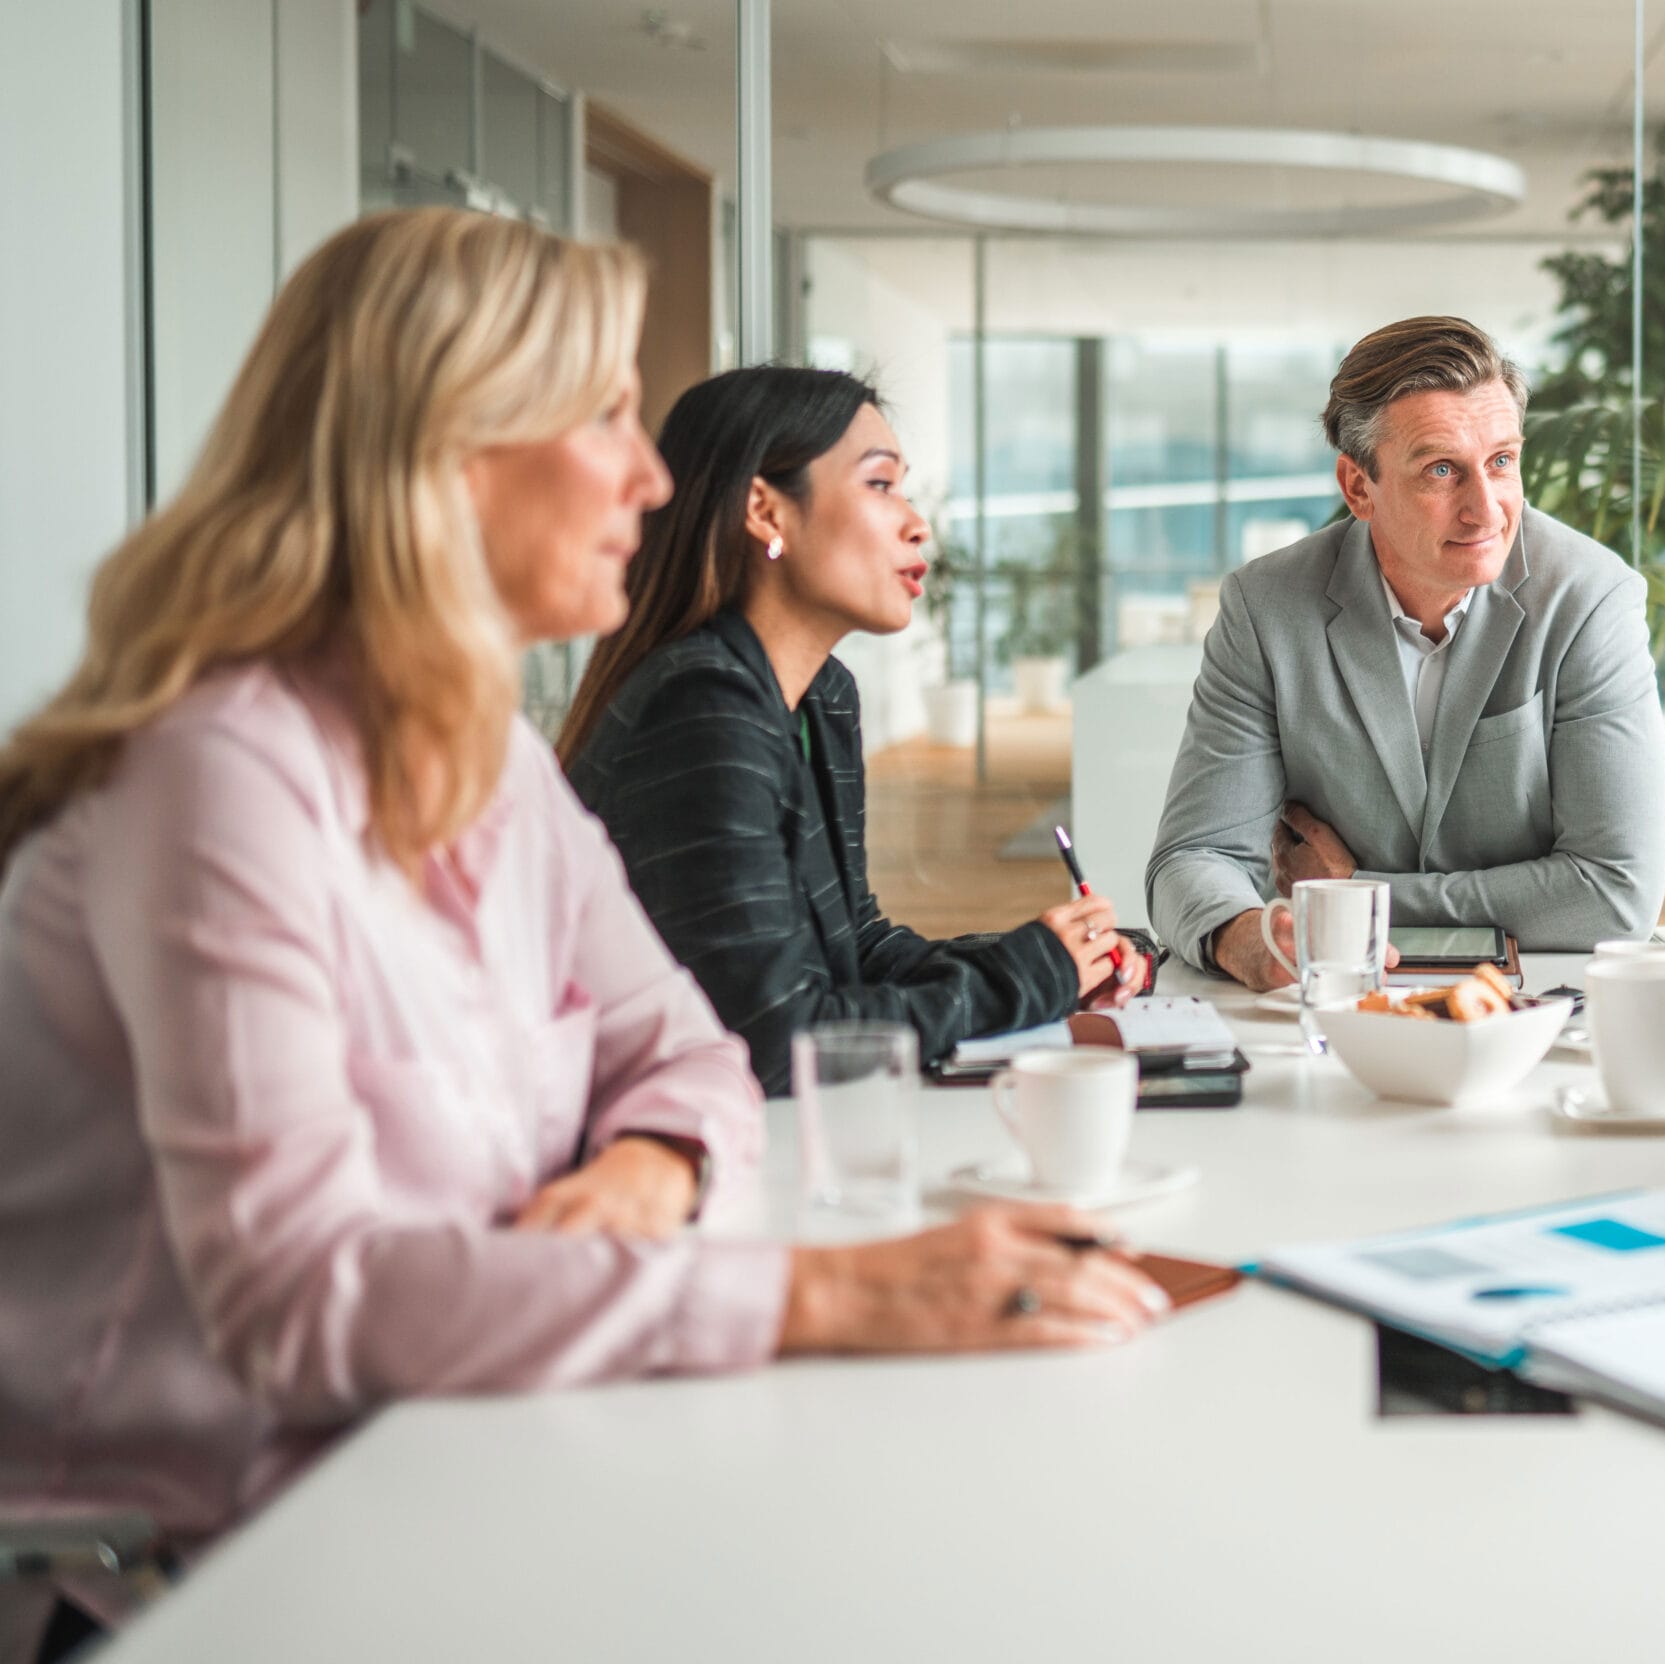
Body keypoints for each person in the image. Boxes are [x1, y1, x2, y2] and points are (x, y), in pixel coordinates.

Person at [0, 213, 1166, 1656]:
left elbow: (681, 1046)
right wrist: (818, 1293)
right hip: (223, 1573)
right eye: (604, 413)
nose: (651, 473)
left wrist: (650, 1159)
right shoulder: (221, 772)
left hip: (469, 1457)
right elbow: (300, 1304)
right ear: (445, 444)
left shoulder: (475, 756)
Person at [560, 366, 1141, 1096]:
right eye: (879, 484)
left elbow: (853, 945)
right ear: (766, 512)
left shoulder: (819, 697)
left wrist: (1056, 957)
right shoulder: (703, 709)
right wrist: (1026, 977)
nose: (916, 521)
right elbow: (778, 1037)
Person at [1145, 314, 1665, 989]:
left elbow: (1615, 891)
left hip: (1541, 1003)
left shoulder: (1592, 601)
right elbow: (1195, 857)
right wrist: (1243, 938)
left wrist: (1355, 893)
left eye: (1502, 462)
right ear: (1358, 487)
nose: (1486, 509)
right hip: (1330, 994)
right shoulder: (1266, 608)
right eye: (1442, 470)